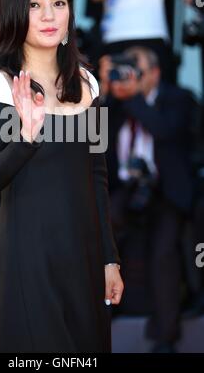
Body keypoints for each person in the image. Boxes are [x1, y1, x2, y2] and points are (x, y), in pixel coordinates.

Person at [0, 0, 123, 353]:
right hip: (28, 260)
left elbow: (97, 175)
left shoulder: (87, 83)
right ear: (15, 13)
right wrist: (27, 136)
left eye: (59, 2)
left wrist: (110, 259)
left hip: (85, 260)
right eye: (35, 5)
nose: (48, 15)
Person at [101, 47, 193, 353]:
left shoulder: (178, 98)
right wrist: (101, 92)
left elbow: (165, 130)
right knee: (98, 233)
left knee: (163, 252)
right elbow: (90, 137)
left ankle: (165, 337)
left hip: (165, 190)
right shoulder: (115, 103)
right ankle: (101, 310)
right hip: (126, 187)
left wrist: (133, 97)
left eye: (134, 69)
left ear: (154, 73)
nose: (127, 76)